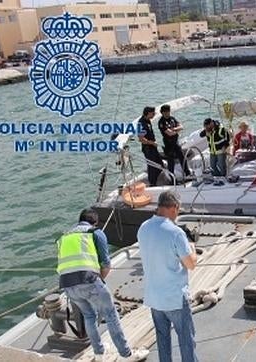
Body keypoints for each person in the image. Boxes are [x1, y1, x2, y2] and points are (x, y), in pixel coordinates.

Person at [57, 209, 148, 361]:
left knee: (89, 315)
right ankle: (126, 355)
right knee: (111, 315)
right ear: (95, 222)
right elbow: (106, 264)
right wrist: (99, 281)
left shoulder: (64, 238)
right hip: (89, 281)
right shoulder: (95, 233)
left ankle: (98, 354)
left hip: (67, 286)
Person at [137, 191, 198, 362]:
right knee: (186, 340)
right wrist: (191, 246)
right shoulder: (176, 232)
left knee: (163, 341)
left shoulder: (143, 228)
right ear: (174, 208)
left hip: (154, 298)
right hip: (174, 298)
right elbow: (191, 264)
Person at [158, 104, 189, 178]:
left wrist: (175, 129)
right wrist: (176, 131)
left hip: (176, 142)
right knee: (171, 162)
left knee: (182, 157)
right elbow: (169, 133)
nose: (167, 113)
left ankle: (187, 173)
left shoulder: (172, 119)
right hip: (168, 144)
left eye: (168, 111)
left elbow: (181, 126)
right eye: (165, 112)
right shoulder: (161, 122)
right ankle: (171, 178)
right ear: (162, 113)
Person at [138, 106, 164, 186]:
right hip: (148, 148)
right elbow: (141, 139)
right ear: (148, 113)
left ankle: (156, 180)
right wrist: (152, 143)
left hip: (153, 147)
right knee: (152, 166)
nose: (154, 114)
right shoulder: (141, 123)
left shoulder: (148, 121)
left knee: (160, 164)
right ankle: (152, 183)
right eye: (153, 113)